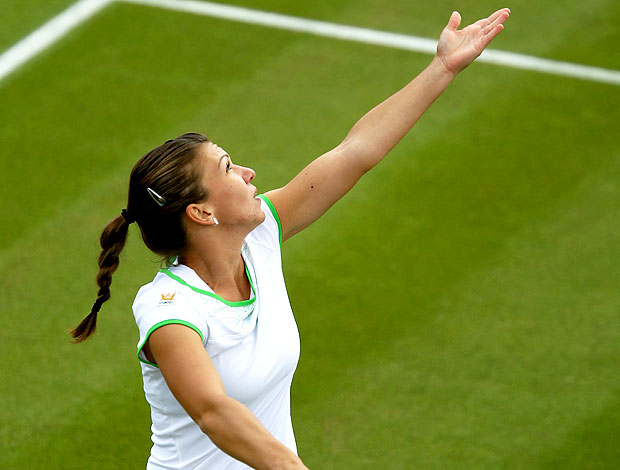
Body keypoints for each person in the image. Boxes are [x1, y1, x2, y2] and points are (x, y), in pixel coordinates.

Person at [72, 8, 510, 470]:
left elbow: (354, 152)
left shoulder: (257, 239)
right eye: (227, 168)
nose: (248, 173)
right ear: (201, 212)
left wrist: (441, 69)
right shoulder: (169, 308)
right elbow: (213, 412)